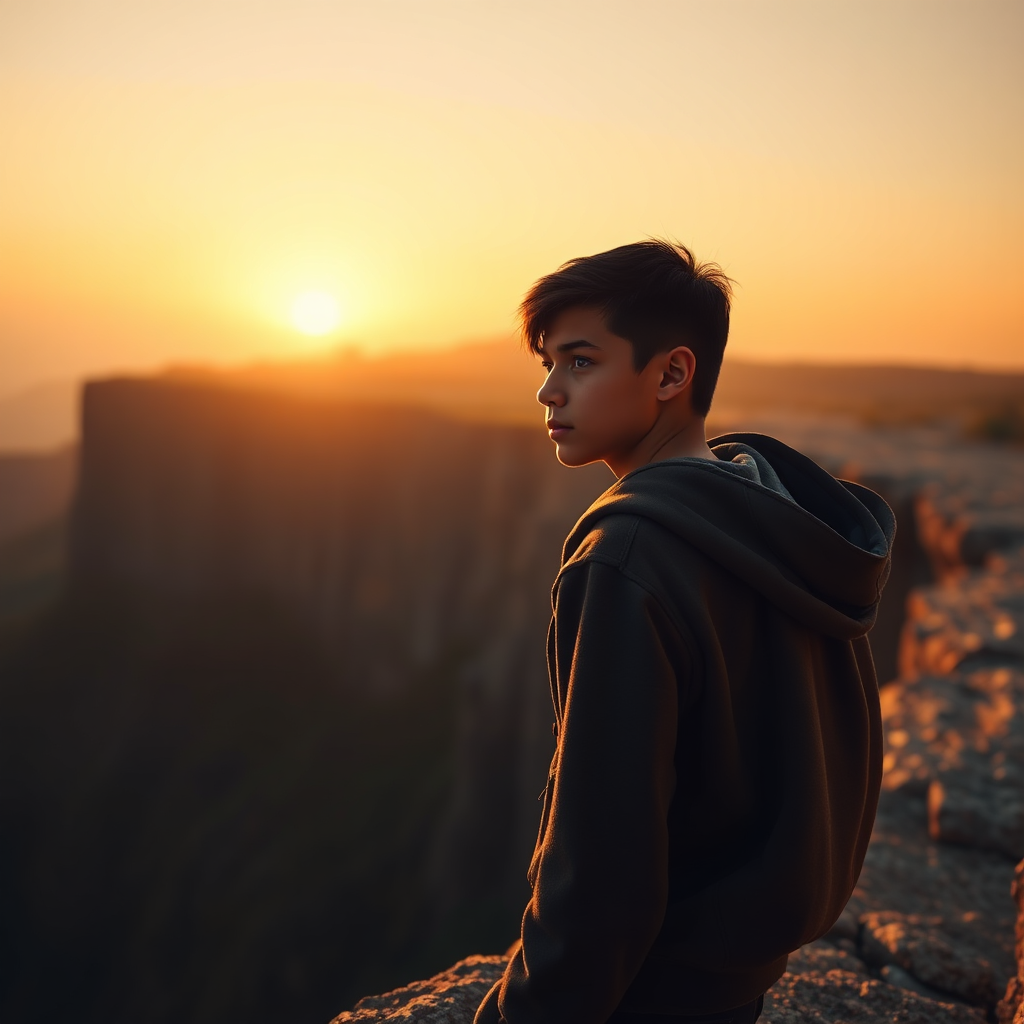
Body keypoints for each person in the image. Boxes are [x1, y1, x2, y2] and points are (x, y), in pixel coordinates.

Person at [473, 240, 894, 1024]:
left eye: (580, 363)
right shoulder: (771, 513)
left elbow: (602, 858)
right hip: (739, 980)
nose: (548, 393)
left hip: (651, 994)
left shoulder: (629, 556)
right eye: (547, 364)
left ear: (671, 374)